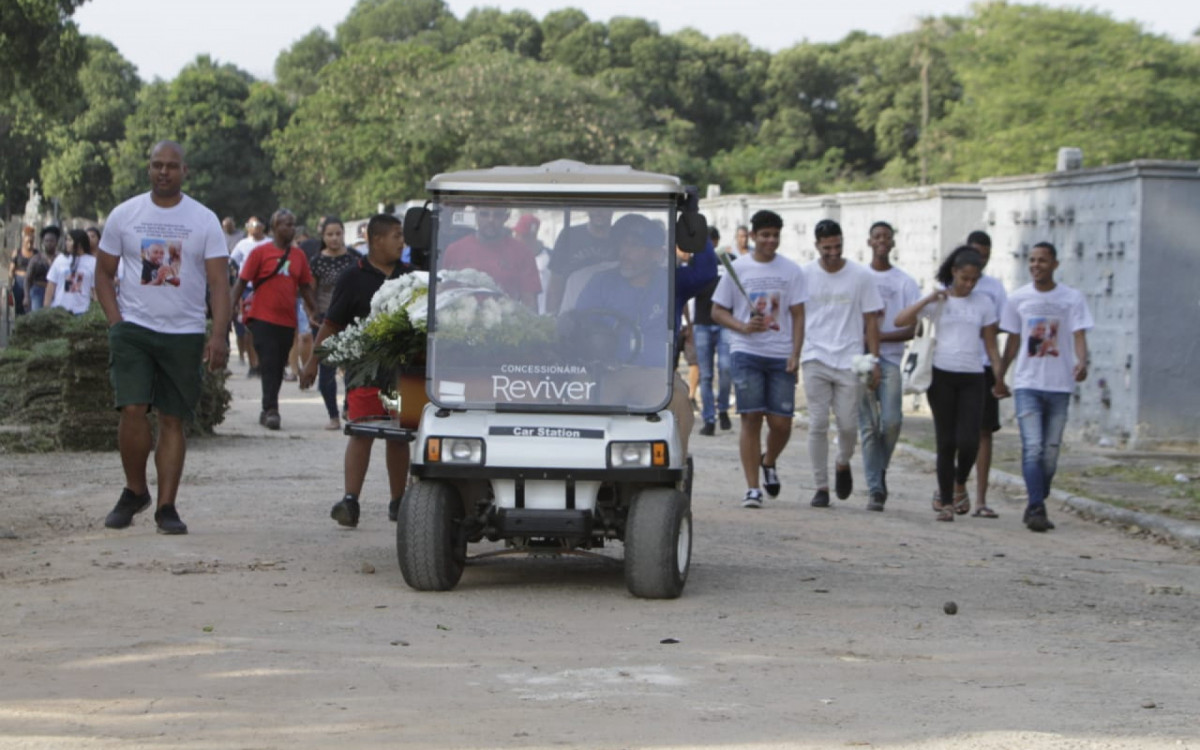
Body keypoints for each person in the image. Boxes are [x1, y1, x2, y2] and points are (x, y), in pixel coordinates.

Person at [94, 139, 231, 535]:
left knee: (173, 418)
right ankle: (135, 490)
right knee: (133, 409)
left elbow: (219, 283)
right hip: (134, 329)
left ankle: (167, 507)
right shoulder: (125, 214)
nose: (164, 172)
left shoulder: (203, 219)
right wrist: (115, 322)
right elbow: (104, 273)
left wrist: (218, 334)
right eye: (157, 165)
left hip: (184, 333)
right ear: (148, 168)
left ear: (184, 171)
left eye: (172, 165)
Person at [300, 214, 412, 527]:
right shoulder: (353, 276)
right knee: (361, 432)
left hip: (403, 374)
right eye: (396, 236)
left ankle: (398, 501)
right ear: (376, 241)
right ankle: (350, 500)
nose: (401, 242)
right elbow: (332, 323)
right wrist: (313, 362)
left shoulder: (411, 276)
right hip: (364, 372)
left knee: (399, 436)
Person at [574, 213, 715, 458]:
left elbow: (706, 272)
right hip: (608, 372)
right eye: (623, 244)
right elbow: (579, 325)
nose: (624, 251)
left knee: (679, 404)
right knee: (578, 404)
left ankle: (672, 473)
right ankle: (583, 467)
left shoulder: (672, 282)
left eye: (634, 245)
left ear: (656, 254)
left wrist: (694, 228)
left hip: (657, 376)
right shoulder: (601, 282)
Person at [895, 247, 1009, 522]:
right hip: (941, 375)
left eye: (974, 280)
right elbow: (901, 321)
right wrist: (929, 299)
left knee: (969, 441)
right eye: (964, 278)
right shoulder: (939, 300)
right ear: (954, 273)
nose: (968, 284)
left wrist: (1000, 376)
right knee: (946, 441)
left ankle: (960, 483)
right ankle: (946, 501)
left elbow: (991, 346)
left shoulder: (983, 303)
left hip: (973, 376)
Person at [711, 210, 807, 509]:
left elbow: (798, 314)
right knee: (751, 418)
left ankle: (769, 461)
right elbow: (717, 310)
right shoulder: (737, 268)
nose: (770, 240)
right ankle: (753, 488)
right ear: (752, 237)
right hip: (746, 352)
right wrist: (742, 326)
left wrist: (795, 353)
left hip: (780, 354)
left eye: (775, 235)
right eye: (765, 235)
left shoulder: (792, 271)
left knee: (781, 423)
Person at [997, 242, 1093, 532]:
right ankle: (1036, 505)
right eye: (1032, 260)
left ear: (1055, 264)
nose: (1036, 265)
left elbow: (1078, 334)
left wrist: (1082, 361)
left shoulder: (1071, 298)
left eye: (1042, 260)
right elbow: (1013, 341)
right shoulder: (1018, 299)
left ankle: (1038, 493)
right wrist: (1000, 376)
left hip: (1059, 384)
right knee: (1033, 447)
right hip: (1027, 383)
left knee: (1050, 451)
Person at [801, 219, 884, 509]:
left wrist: (873, 360)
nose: (833, 253)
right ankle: (820, 486)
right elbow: (796, 316)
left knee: (848, 425)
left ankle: (842, 461)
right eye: (827, 248)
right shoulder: (805, 275)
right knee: (818, 422)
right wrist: (793, 352)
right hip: (814, 356)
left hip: (849, 358)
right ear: (817, 246)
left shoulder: (860, 276)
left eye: (838, 246)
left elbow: (872, 320)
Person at [230, 209, 317, 430]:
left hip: (287, 321)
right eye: (285, 224)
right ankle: (271, 409)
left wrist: (314, 311)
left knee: (279, 365)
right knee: (268, 361)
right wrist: (229, 308)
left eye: (293, 224)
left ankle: (268, 407)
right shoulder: (260, 253)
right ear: (274, 228)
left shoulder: (298, 256)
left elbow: (305, 286)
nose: (290, 228)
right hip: (262, 317)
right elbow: (241, 283)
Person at [858, 222, 920, 511]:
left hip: (892, 358)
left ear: (893, 243)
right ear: (869, 242)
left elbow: (911, 329)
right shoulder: (859, 277)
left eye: (887, 237)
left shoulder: (904, 282)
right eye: (877, 237)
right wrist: (866, 342)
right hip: (860, 360)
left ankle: (878, 469)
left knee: (892, 421)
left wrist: (877, 337)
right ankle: (875, 488)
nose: (882, 241)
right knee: (869, 425)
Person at [963, 230, 1008, 516]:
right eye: (975, 253)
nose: (980, 259)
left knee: (984, 432)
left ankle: (980, 498)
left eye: (985, 254)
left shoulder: (994, 288)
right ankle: (953, 489)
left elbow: (1001, 324)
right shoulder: (949, 284)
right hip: (953, 365)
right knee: (956, 434)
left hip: (984, 365)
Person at [309, 217, 357, 430]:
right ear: (323, 236)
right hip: (324, 321)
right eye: (330, 234)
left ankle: (349, 407)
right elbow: (310, 292)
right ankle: (333, 415)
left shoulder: (355, 259)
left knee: (353, 368)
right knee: (326, 369)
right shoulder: (317, 261)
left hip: (352, 321)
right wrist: (312, 312)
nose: (334, 238)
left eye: (338, 233)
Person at [442, 207, 540, 309]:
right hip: (461, 322)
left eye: (497, 215)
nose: (490, 220)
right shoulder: (455, 250)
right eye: (484, 214)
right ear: (475, 214)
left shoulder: (523, 253)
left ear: (506, 217)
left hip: (506, 322)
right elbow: (444, 295)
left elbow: (530, 301)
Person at [693, 226, 736, 435]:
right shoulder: (695, 262)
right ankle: (709, 419)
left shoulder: (730, 261)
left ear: (717, 241)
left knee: (726, 370)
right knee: (706, 375)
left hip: (726, 322)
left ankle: (724, 408)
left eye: (710, 241)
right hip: (701, 322)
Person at [544, 209, 617, 314]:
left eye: (604, 206)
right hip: (572, 312)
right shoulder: (569, 235)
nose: (598, 211)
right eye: (593, 204)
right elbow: (555, 282)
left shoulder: (621, 239)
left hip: (610, 314)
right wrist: (551, 318)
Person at [229, 216, 268, 376]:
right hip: (247, 289)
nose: (254, 227)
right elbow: (232, 265)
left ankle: (265, 362)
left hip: (266, 289)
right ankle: (254, 364)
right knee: (249, 329)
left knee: (265, 328)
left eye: (257, 224)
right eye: (250, 225)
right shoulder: (242, 244)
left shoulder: (269, 243)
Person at [44, 229, 96, 315]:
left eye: (70, 240)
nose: (67, 243)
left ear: (79, 243)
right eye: (66, 240)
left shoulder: (92, 262)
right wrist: (46, 309)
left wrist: (96, 311)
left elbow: (95, 290)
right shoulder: (61, 259)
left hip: (82, 311)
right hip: (59, 310)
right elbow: (51, 285)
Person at [25, 226, 61, 311]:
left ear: (56, 242)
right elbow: (27, 279)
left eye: (51, 241)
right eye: (46, 241)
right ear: (43, 242)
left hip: (55, 292)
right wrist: (26, 296)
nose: (49, 243)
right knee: (37, 317)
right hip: (38, 291)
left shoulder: (61, 259)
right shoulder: (36, 259)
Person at [8, 226, 37, 316]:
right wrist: (10, 285)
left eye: (31, 238)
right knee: (19, 309)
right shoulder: (17, 252)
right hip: (19, 282)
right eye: (27, 237)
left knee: (30, 309)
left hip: (32, 283)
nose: (29, 240)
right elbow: (11, 270)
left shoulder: (37, 253)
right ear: (23, 238)